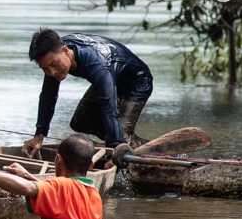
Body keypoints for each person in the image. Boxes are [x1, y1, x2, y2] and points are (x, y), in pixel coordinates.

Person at [23, 28, 153, 152]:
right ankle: (116, 141)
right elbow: (48, 97)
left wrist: (116, 147)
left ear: (65, 50)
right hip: (110, 77)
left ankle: (147, 148)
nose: (51, 72)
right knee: (80, 122)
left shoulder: (96, 65)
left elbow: (109, 109)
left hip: (137, 81)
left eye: (54, 64)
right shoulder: (53, 54)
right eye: (45, 68)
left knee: (121, 137)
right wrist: (39, 137)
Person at [0, 134, 102, 219]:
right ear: (90, 165)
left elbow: (28, 189)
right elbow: (60, 199)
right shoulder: (94, 194)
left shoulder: (62, 186)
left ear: (58, 160)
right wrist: (28, 176)